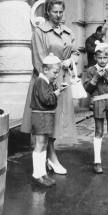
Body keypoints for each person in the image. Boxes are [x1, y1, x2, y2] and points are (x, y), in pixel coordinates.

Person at [21, 0, 79, 175]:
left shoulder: (69, 31)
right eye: (55, 12)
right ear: (47, 11)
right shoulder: (39, 31)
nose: (59, 15)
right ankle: (51, 158)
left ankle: (49, 156)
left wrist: (71, 60)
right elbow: (39, 61)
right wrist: (51, 81)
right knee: (47, 119)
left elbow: (76, 52)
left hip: (63, 80)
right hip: (46, 80)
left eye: (61, 12)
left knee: (56, 120)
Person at [84, 41, 108, 175]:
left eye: (105, 58)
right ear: (95, 57)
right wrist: (96, 77)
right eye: (99, 58)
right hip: (98, 101)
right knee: (99, 131)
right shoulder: (91, 70)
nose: (102, 60)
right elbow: (88, 88)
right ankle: (97, 162)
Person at [31, 53, 68, 187]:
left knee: (44, 143)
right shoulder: (40, 81)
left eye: (58, 72)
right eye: (55, 72)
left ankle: (43, 173)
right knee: (40, 144)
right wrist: (57, 93)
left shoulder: (46, 82)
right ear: (45, 70)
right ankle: (37, 174)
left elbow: (50, 99)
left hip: (45, 115)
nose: (56, 75)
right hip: (40, 116)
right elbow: (46, 99)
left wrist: (56, 89)